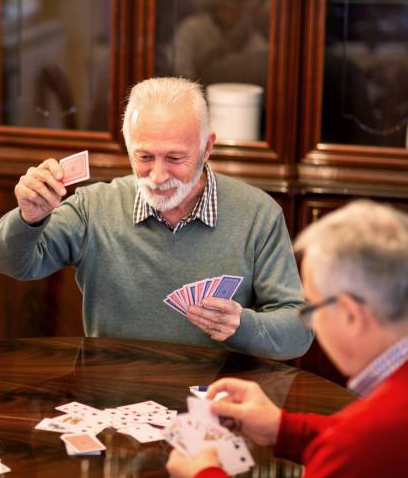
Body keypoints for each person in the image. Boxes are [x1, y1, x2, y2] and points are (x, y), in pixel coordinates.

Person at [0, 77, 312, 360]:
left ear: (207, 147)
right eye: (144, 157)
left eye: (174, 158)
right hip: (113, 400)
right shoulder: (94, 207)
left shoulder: (257, 214)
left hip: (216, 402)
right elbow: (7, 262)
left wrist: (243, 325)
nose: (157, 175)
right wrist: (29, 218)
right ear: (127, 148)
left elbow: (298, 332)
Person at [166, 200, 408, 477]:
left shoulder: (359, 441)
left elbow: (357, 443)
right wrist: (282, 428)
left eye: (313, 307)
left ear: (351, 315)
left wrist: (203, 472)